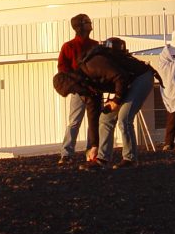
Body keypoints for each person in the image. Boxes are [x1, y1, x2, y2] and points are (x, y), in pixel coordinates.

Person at [80, 37, 156, 169]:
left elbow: (122, 78)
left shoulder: (96, 66)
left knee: (124, 118)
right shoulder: (97, 66)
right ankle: (102, 159)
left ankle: (130, 159)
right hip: (130, 83)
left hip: (142, 78)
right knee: (105, 117)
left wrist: (117, 99)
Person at [57, 14, 101, 167]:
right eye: (87, 22)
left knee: (90, 122)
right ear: (79, 26)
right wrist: (77, 81)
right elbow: (63, 68)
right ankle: (67, 153)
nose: (90, 24)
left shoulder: (95, 45)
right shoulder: (69, 47)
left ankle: (91, 151)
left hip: (92, 89)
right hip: (80, 90)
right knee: (76, 121)